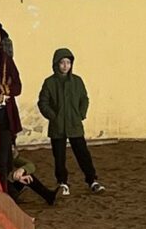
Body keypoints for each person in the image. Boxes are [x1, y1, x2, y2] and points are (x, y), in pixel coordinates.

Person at [37, 48, 105, 195]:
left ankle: (92, 180)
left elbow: (84, 99)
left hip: (74, 124)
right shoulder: (49, 83)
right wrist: (53, 116)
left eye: (68, 62)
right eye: (62, 62)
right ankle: (62, 183)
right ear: (56, 64)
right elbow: (43, 102)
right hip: (57, 127)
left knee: (83, 153)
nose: (65, 66)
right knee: (59, 157)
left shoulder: (77, 81)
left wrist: (80, 114)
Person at [0, 18, 23, 190]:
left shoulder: (6, 59)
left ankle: (4, 194)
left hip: (5, 115)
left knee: (4, 158)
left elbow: (17, 87)